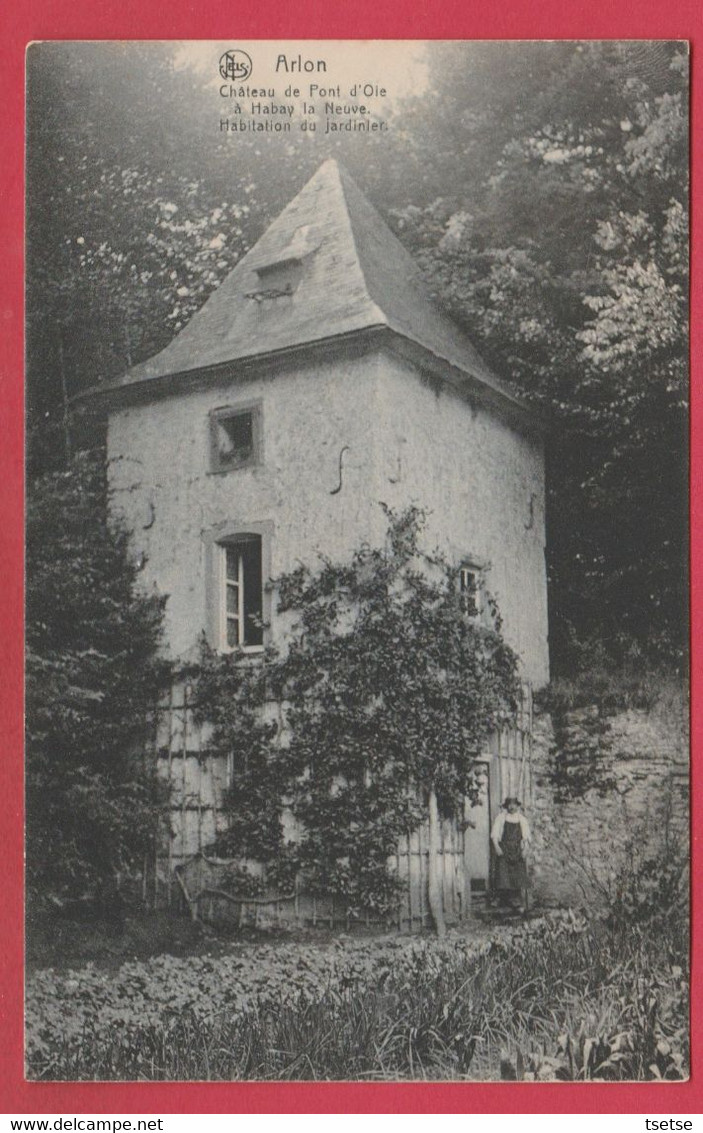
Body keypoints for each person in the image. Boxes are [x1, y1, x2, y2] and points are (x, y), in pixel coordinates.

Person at [490, 796, 531, 912]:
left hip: (517, 850)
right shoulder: (501, 818)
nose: (512, 807)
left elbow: (526, 837)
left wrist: (525, 849)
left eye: (514, 804)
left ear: (517, 806)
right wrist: (497, 847)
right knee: (502, 873)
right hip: (504, 849)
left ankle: (517, 901)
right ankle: (499, 899)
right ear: (506, 806)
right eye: (509, 804)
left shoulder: (522, 819)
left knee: (517, 875)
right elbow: (495, 835)